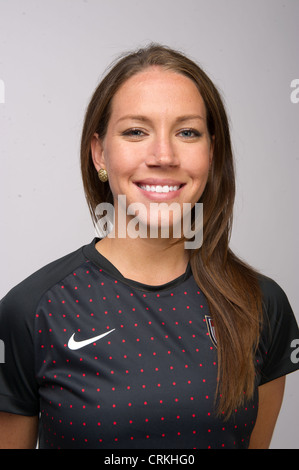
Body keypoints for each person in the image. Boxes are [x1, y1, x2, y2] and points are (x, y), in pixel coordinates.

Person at [0, 44, 298, 449]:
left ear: (212, 153)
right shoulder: (32, 310)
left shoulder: (262, 305)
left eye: (187, 132)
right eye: (136, 131)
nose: (163, 155)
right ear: (99, 153)